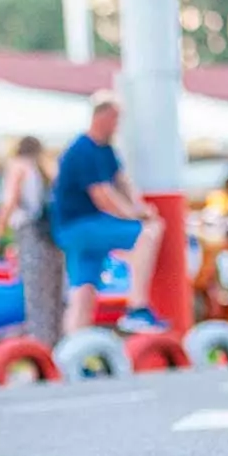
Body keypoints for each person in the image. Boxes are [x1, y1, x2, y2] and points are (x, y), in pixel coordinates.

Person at [51, 91, 167, 335]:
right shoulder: (82, 149)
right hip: (80, 227)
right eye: (115, 119)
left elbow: (122, 182)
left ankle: (73, 347)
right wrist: (137, 216)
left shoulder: (105, 150)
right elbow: (103, 196)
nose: (117, 125)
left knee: (84, 293)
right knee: (147, 234)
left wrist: (140, 207)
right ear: (101, 116)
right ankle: (137, 308)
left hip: (81, 231)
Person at [0, 136, 65, 348]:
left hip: (31, 233)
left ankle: (41, 348)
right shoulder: (47, 167)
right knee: (55, 294)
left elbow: (10, 201)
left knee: (36, 295)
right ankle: (58, 346)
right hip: (53, 237)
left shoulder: (18, 166)